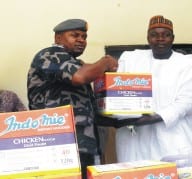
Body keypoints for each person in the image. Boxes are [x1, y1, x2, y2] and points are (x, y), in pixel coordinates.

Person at [27, 19, 118, 179]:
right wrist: (106, 61)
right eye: (75, 35)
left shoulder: (75, 63)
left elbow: (88, 108)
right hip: (58, 147)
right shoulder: (49, 54)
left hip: (83, 147)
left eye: (84, 36)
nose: (81, 40)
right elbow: (79, 76)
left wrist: (125, 118)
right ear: (58, 38)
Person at [114, 15, 192, 162]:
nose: (160, 39)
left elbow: (189, 101)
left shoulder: (187, 64)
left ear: (172, 38)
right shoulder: (132, 59)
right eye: (154, 35)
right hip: (138, 139)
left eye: (165, 35)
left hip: (174, 136)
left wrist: (152, 118)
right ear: (148, 38)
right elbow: (120, 92)